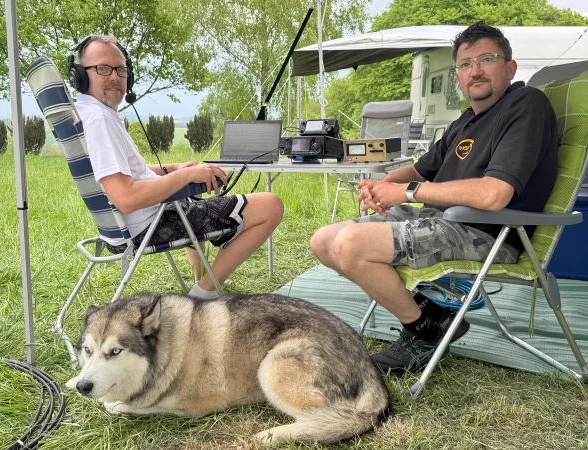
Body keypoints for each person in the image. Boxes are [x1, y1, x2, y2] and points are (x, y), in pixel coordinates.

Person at [309, 21, 559, 374]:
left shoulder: (525, 105)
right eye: (465, 64)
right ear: (458, 75)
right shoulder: (467, 120)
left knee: (351, 245)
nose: (475, 71)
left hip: (489, 232)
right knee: (323, 241)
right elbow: (422, 168)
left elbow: (494, 194)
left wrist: (407, 193)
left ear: (509, 67)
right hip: (439, 221)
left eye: (486, 59)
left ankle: (423, 332)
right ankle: (430, 315)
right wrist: (385, 181)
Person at [72, 35, 284, 300]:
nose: (115, 77)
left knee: (192, 191)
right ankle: (204, 293)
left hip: (132, 223)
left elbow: (117, 172)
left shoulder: (88, 114)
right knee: (271, 204)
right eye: (103, 68)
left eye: (121, 69)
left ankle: (200, 275)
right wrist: (187, 175)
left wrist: (170, 169)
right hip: (149, 223)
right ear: (80, 76)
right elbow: (127, 198)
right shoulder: (100, 121)